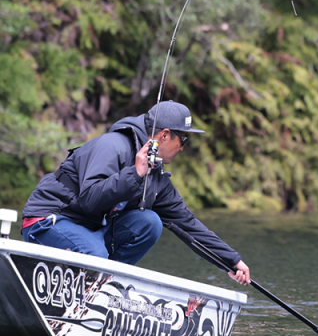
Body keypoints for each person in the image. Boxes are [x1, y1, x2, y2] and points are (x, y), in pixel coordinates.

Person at [21, 101, 250, 285]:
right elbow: (90, 200)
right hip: (48, 221)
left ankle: (100, 287)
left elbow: (186, 223)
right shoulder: (113, 146)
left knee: (149, 222)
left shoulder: (156, 176)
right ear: (164, 135)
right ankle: (96, 285)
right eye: (184, 139)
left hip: (88, 230)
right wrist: (135, 174)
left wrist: (231, 260)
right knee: (96, 255)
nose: (183, 147)